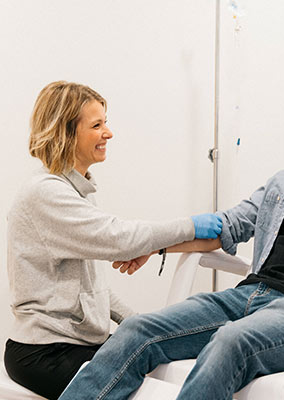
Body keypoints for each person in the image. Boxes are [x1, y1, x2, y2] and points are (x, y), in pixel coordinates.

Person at [59, 70, 284, 400]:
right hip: (248, 296)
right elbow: (227, 226)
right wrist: (156, 245)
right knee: (137, 331)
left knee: (230, 342)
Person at [4, 81, 222, 400]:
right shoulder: (45, 193)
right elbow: (120, 238)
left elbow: (93, 289)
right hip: (46, 353)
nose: (108, 133)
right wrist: (191, 226)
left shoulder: (74, 190)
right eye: (97, 125)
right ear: (66, 132)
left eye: (105, 122)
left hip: (82, 343)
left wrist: (145, 324)